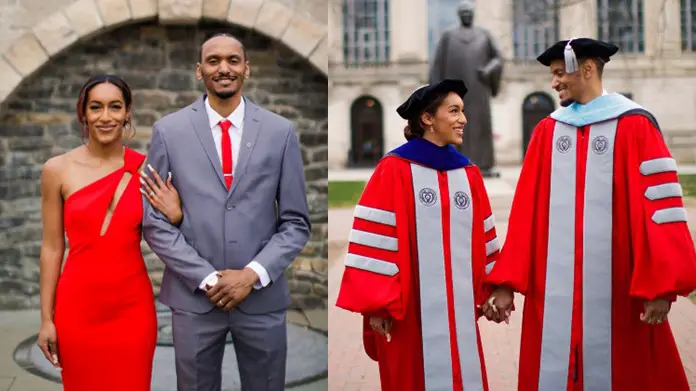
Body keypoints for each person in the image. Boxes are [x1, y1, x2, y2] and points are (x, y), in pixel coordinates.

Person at [483, 38, 696, 391]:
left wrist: (662, 288)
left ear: (587, 69)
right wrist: (506, 285)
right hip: (553, 296)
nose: (553, 83)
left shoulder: (636, 126)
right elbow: (525, 217)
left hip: (620, 290)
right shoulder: (548, 132)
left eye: (558, 73)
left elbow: (659, 212)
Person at [140, 32, 311, 391]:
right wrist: (207, 278)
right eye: (213, 61)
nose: (224, 68)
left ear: (246, 68)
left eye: (233, 60)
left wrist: (251, 275)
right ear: (199, 71)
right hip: (194, 297)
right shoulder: (168, 131)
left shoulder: (280, 133)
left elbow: (295, 223)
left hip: (261, 296)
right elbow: (154, 222)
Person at [335, 79, 505, 391]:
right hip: (409, 313)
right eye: (453, 111)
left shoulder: (467, 173)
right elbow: (375, 243)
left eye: (463, 111)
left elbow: (485, 240)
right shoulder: (394, 169)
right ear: (427, 119)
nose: (463, 119)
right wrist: (377, 305)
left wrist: (495, 291)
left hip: (459, 312)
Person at [36, 74, 183, 390]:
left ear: (127, 112)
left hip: (132, 308)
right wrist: (46, 319)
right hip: (76, 307)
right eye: (96, 107)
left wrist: (176, 214)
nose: (105, 117)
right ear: (84, 114)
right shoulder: (57, 170)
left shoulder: (148, 170)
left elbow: (173, 234)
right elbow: (51, 248)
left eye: (115, 107)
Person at [428, 0, 504, 177]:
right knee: (453, 125)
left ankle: (483, 164)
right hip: (454, 92)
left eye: (469, 12)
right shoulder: (448, 36)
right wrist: (434, 94)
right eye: (463, 12)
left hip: (478, 90)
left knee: (479, 125)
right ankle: (455, 161)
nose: (467, 15)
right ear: (459, 15)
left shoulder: (484, 35)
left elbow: (498, 59)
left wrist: (488, 70)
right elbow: (437, 65)